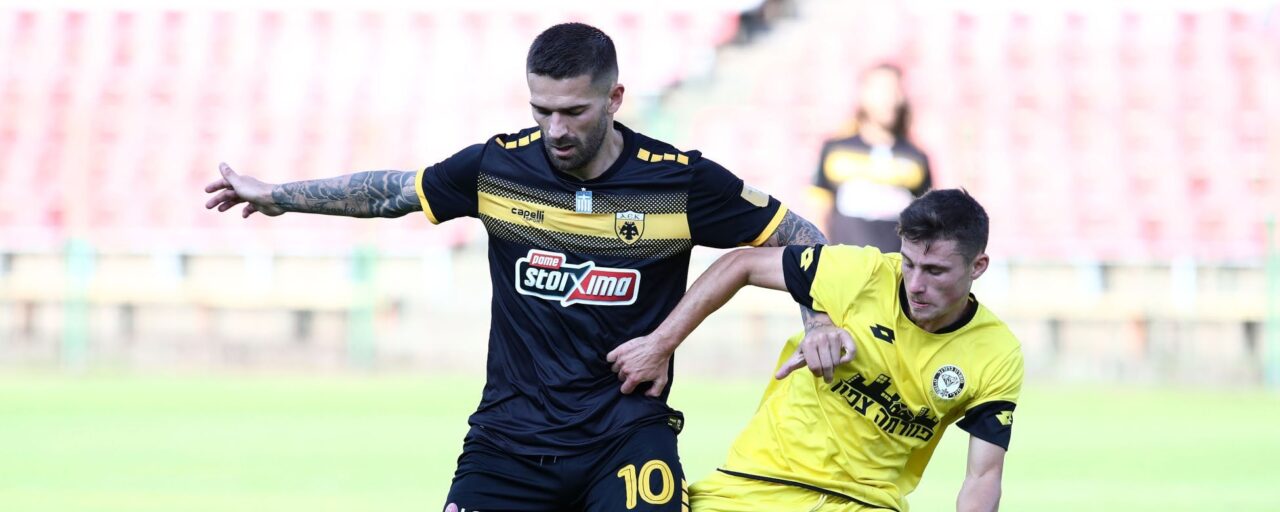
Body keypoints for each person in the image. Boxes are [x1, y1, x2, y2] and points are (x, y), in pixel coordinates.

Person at [203, 22, 835, 512]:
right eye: (541, 110)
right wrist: (278, 195)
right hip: (508, 441)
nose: (555, 129)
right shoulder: (497, 168)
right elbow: (393, 193)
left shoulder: (679, 181)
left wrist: (818, 321)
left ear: (614, 98)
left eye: (574, 112)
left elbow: (799, 235)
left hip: (625, 435)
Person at [609, 189, 1022, 511]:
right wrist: (661, 344)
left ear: (978, 266)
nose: (915, 284)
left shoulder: (995, 352)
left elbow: (983, 476)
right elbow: (741, 265)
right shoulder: (860, 273)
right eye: (909, 263)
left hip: (865, 504)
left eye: (935, 271)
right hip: (755, 486)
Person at [811, 63, 932, 252]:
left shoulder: (916, 158)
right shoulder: (836, 150)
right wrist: (822, 254)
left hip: (896, 266)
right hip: (845, 264)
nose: (889, 98)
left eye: (895, 90)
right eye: (882, 89)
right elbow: (818, 211)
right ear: (863, 94)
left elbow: (926, 224)